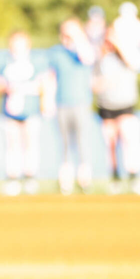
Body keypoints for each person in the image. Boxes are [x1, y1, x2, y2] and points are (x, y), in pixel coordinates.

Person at [93, 25, 140, 194]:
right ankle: (115, 178)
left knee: (130, 140)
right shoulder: (101, 58)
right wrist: (102, 84)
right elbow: (94, 84)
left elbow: (135, 63)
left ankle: (134, 177)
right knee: (110, 144)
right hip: (106, 106)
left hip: (125, 105)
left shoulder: (126, 53)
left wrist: (119, 44)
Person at [0, 31, 46, 195]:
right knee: (12, 145)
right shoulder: (4, 63)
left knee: (30, 144)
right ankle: (13, 178)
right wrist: (8, 88)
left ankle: (30, 178)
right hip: (10, 113)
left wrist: (25, 89)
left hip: (31, 111)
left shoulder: (35, 63)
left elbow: (43, 85)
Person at [48, 18, 96, 194]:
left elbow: (87, 58)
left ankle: (84, 180)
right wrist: (49, 101)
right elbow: (51, 77)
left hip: (81, 103)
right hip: (62, 103)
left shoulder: (83, 49)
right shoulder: (56, 52)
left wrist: (77, 37)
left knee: (83, 142)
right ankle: (65, 181)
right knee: (65, 144)